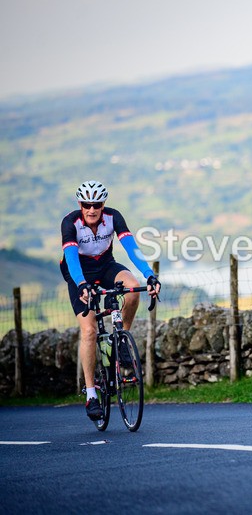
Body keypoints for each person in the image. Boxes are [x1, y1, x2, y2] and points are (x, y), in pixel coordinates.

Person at [60, 180, 160, 421]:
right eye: (87, 204)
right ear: (80, 204)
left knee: (132, 288)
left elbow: (131, 247)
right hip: (78, 272)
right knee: (89, 330)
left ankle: (120, 340)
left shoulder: (113, 217)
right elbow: (71, 258)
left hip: (105, 265)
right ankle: (92, 394)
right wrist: (82, 284)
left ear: (103, 204)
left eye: (96, 204)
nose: (92, 209)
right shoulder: (70, 222)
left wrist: (149, 275)